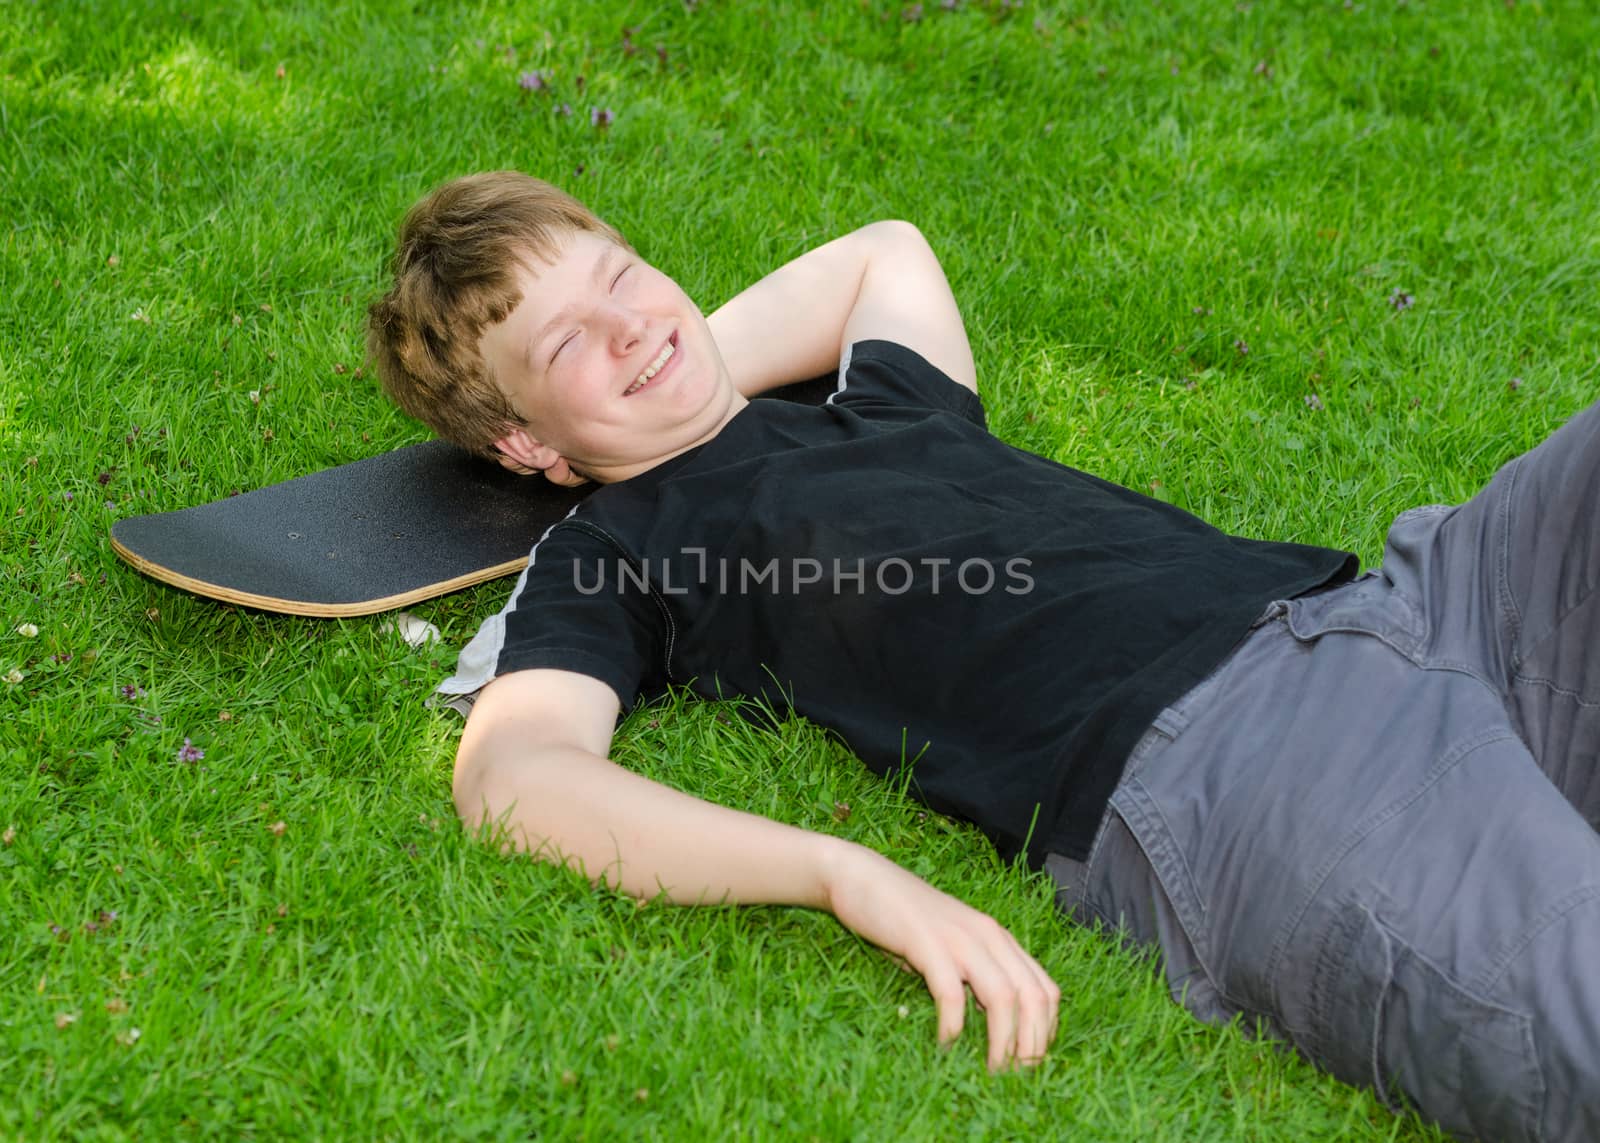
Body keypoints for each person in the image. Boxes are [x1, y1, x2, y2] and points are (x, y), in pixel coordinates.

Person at [367, 170, 1600, 1142]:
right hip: (1244, 770)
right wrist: (840, 874)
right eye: (567, 344)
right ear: (523, 444)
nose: (632, 325)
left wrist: (657, 381)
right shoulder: (619, 552)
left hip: (1424, 602)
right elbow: (510, 778)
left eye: (624, 277)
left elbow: (880, 252)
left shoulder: (882, 404)